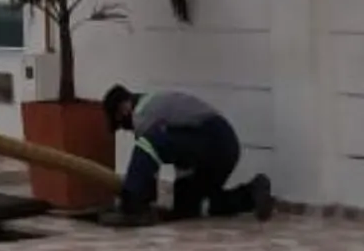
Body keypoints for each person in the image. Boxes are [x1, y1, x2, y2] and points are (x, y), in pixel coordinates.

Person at [102, 84, 274, 221]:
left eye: (121, 125)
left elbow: (149, 153)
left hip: (212, 137)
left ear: (123, 108)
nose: (127, 129)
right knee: (188, 206)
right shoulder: (158, 104)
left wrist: (134, 195)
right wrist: (180, 194)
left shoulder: (142, 113)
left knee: (146, 143)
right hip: (226, 146)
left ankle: (132, 204)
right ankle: (251, 193)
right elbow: (179, 152)